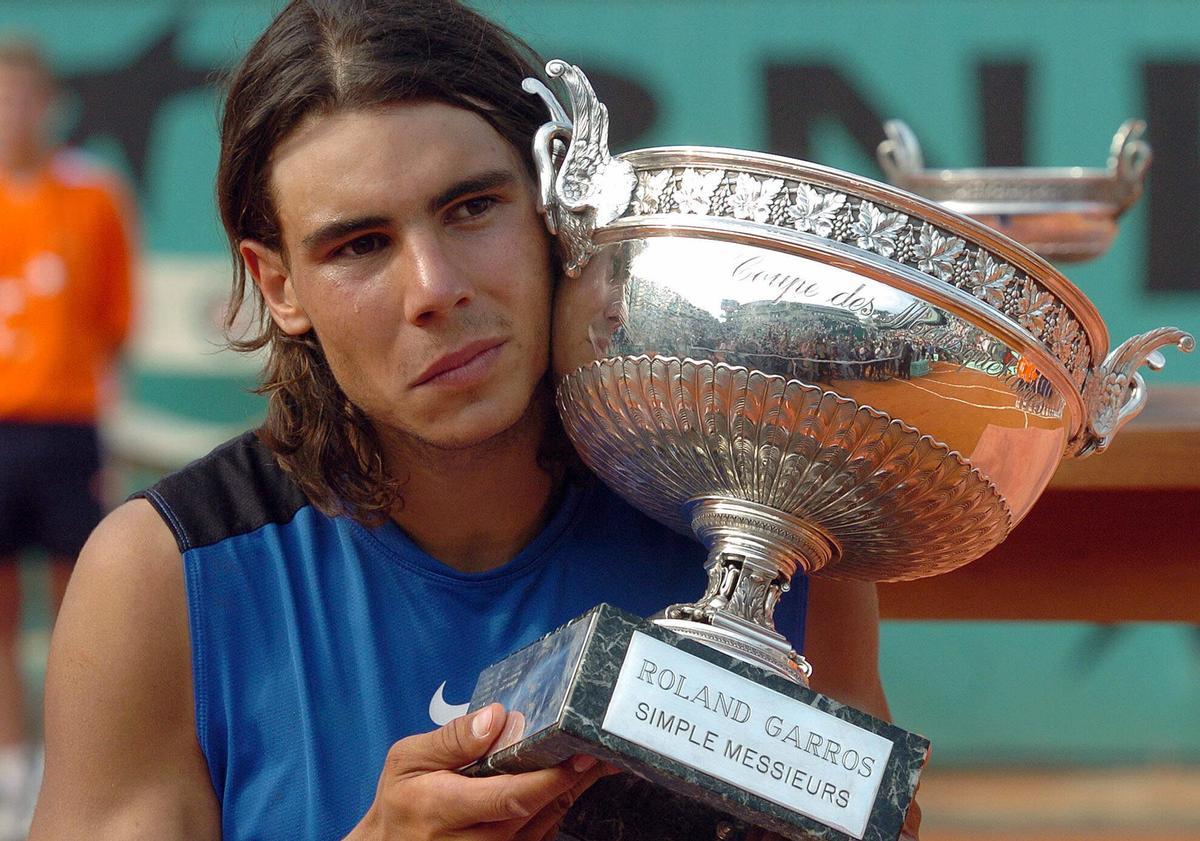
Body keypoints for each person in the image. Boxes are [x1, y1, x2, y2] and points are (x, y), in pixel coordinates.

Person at [30, 2, 915, 839]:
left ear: (552, 204)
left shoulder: (768, 521)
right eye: (360, 245)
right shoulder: (163, 579)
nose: (434, 287)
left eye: (471, 207)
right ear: (279, 285)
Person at [0, 37, 135, 841]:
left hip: (66, 428)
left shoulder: (93, 195)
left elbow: (114, 316)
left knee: (81, 606)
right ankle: (11, 768)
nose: (12, 112)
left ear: (51, 104)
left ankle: (67, 768)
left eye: (25, 96)